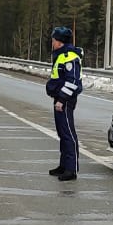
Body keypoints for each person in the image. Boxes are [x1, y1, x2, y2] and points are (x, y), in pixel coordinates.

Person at [45, 26, 83, 181]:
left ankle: (71, 169)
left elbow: (72, 81)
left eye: (53, 40)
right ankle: (64, 165)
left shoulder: (69, 57)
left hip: (65, 100)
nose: (52, 42)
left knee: (68, 134)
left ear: (59, 42)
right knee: (62, 133)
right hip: (60, 98)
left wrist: (61, 100)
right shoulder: (61, 55)